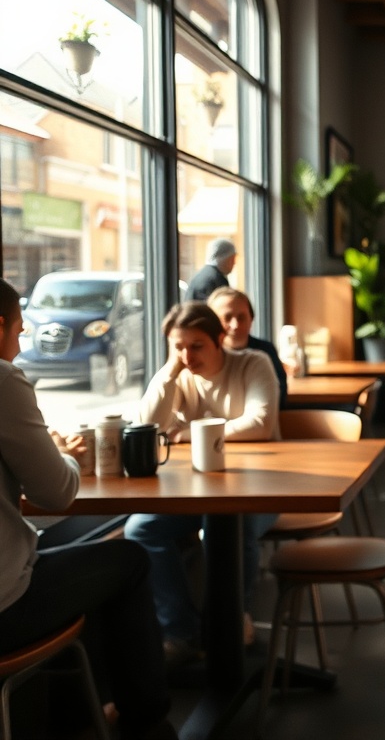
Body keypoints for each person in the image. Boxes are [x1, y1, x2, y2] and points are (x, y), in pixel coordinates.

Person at [0, 279, 176, 740]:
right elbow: (57, 493)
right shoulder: (3, 379)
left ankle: (85, 714)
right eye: (19, 332)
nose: (18, 348)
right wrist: (65, 456)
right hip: (3, 612)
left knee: (84, 553)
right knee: (131, 561)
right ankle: (147, 721)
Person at [125, 302, 280, 664]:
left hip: (262, 489)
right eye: (177, 346)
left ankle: (231, 619)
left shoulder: (252, 364)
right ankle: (182, 631)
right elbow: (147, 426)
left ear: (219, 340)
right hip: (196, 494)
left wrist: (188, 435)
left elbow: (261, 425)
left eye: (196, 346)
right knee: (141, 529)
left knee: (230, 524)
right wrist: (168, 372)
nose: (186, 355)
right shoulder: (178, 375)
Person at [207, 286, 289, 409]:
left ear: (251, 319)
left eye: (241, 317)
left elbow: (279, 397)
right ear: (212, 323)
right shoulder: (205, 355)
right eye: (227, 318)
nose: (235, 325)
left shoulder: (265, 351)